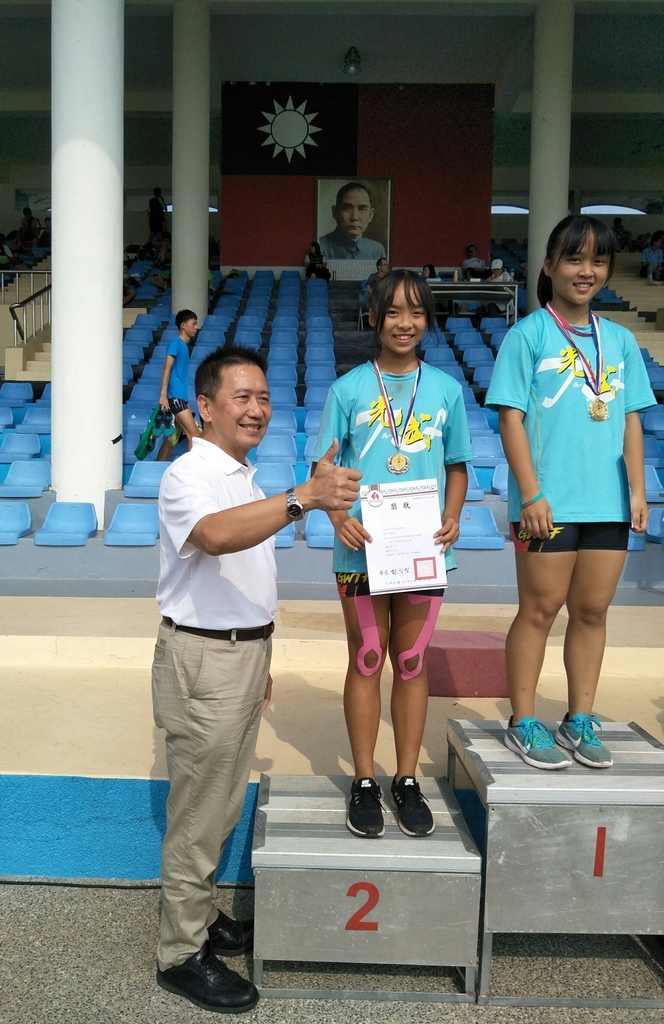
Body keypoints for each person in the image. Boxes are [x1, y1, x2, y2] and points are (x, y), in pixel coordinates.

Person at [153, 344, 361, 1013]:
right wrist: (304, 497)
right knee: (198, 811)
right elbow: (215, 537)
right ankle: (180, 953)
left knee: (220, 806)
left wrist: (259, 656)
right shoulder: (188, 473)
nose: (256, 408)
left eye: (264, 397)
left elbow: (244, 573)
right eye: (241, 397)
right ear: (206, 406)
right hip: (205, 660)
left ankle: (200, 914)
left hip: (241, 656)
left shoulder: (243, 476)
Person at [485, 215, 655, 771]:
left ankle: (579, 719)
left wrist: (637, 490)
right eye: (575, 259)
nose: (587, 271)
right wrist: (530, 495)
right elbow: (510, 419)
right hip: (547, 503)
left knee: (592, 612)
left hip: (607, 501)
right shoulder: (528, 334)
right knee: (538, 611)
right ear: (549, 264)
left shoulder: (621, 341)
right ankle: (522, 721)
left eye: (598, 261)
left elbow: (631, 418)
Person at [311, 270, 472, 840]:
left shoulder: (447, 390)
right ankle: (363, 779)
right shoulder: (348, 389)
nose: (405, 323)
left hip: (423, 550)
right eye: (394, 312)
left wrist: (453, 516)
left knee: (410, 662)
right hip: (361, 550)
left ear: (428, 320)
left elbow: (457, 467)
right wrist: (339, 519)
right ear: (374, 318)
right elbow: (322, 469)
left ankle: (406, 778)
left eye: (417, 313)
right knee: (367, 659)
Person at [156, 309, 201, 461]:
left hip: (179, 398)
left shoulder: (183, 346)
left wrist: (185, 401)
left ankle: (158, 467)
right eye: (193, 324)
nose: (196, 327)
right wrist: (163, 395)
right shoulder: (176, 343)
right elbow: (166, 367)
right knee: (195, 436)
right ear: (183, 325)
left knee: (172, 438)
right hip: (175, 398)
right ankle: (192, 470)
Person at [319, 182, 386, 261]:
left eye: (362, 209)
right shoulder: (320, 247)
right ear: (335, 212)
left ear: (370, 215)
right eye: (347, 208)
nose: (354, 217)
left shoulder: (377, 250)